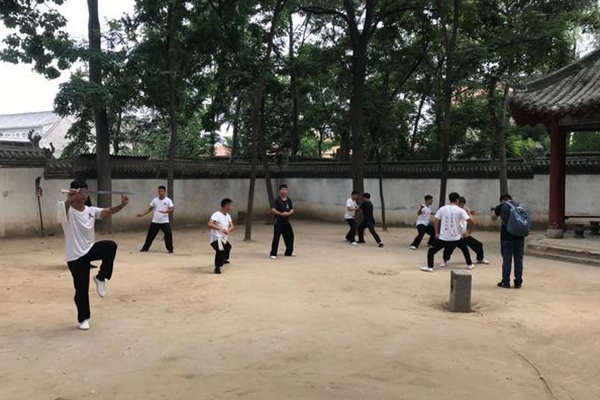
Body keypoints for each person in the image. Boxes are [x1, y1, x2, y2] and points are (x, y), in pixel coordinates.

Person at [62, 180, 129, 330]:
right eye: (82, 192)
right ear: (74, 193)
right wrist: (69, 200)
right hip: (75, 256)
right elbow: (63, 211)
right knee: (81, 289)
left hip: (90, 249)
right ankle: (83, 319)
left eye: (86, 192)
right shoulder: (67, 210)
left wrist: (122, 205)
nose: (85, 195)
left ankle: (100, 277)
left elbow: (108, 211)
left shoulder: (90, 210)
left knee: (110, 246)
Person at [421, 192, 474, 273]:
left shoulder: (442, 209)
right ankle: (469, 264)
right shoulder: (460, 210)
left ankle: (430, 267)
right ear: (457, 200)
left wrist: (436, 233)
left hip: (443, 237)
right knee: (464, 249)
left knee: (431, 250)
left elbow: (436, 221)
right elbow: (472, 222)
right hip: (456, 238)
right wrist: (468, 232)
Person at [442, 196, 489, 266]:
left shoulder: (464, 211)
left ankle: (480, 258)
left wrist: (468, 212)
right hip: (455, 235)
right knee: (449, 248)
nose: (461, 206)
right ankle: (444, 260)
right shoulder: (455, 211)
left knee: (478, 245)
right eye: (460, 204)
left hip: (464, 234)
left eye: (463, 204)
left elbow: (473, 221)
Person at [492, 194, 525, 289]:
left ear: (502, 200)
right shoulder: (519, 206)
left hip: (507, 237)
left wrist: (493, 211)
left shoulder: (502, 206)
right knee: (519, 260)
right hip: (520, 237)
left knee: (507, 260)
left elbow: (493, 218)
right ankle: (518, 282)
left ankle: (506, 282)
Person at [137, 186, 175, 253]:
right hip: (155, 221)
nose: (161, 193)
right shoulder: (155, 200)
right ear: (158, 192)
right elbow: (150, 209)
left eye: (162, 191)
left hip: (164, 221)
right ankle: (145, 248)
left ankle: (170, 249)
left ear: (164, 192)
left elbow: (172, 209)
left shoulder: (168, 200)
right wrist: (142, 214)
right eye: (159, 191)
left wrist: (166, 211)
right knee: (150, 235)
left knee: (168, 234)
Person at [208, 198, 234, 274]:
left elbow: (232, 226)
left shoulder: (228, 216)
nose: (231, 207)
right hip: (216, 238)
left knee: (228, 247)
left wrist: (228, 230)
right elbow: (210, 224)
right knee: (220, 250)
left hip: (223, 239)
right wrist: (220, 229)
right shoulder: (217, 214)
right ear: (226, 206)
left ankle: (224, 259)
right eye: (230, 205)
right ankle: (217, 267)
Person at [270, 184, 295, 259]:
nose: (284, 191)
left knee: (290, 236)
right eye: (283, 189)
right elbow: (273, 210)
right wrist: (281, 214)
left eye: (285, 189)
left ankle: (289, 252)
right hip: (278, 221)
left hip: (286, 222)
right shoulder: (277, 200)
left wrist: (289, 213)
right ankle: (273, 253)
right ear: (280, 191)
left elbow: (292, 209)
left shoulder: (288, 200)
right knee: (276, 237)